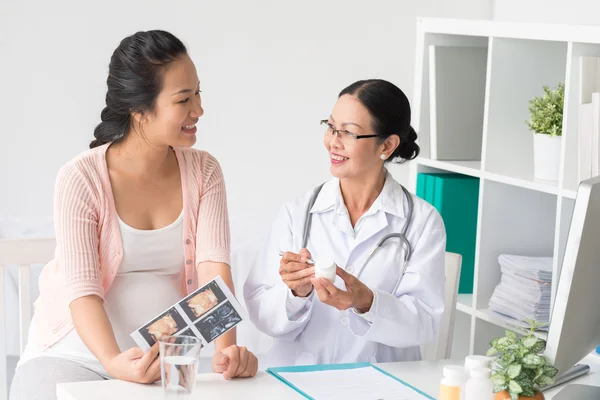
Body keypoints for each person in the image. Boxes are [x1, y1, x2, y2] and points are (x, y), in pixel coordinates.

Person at [10, 30, 257, 400]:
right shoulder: (80, 178)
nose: (198, 110)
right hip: (74, 357)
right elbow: (83, 289)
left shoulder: (205, 170)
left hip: (166, 363)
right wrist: (112, 362)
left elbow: (213, 269)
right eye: (183, 99)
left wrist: (226, 354)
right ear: (139, 110)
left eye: (198, 93)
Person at [244, 79, 446, 367]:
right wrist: (296, 293)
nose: (333, 142)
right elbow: (261, 311)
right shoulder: (298, 213)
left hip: (381, 385)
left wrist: (367, 303)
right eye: (331, 127)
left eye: (349, 133)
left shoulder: (423, 222)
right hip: (301, 380)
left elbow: (425, 323)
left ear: (387, 145)